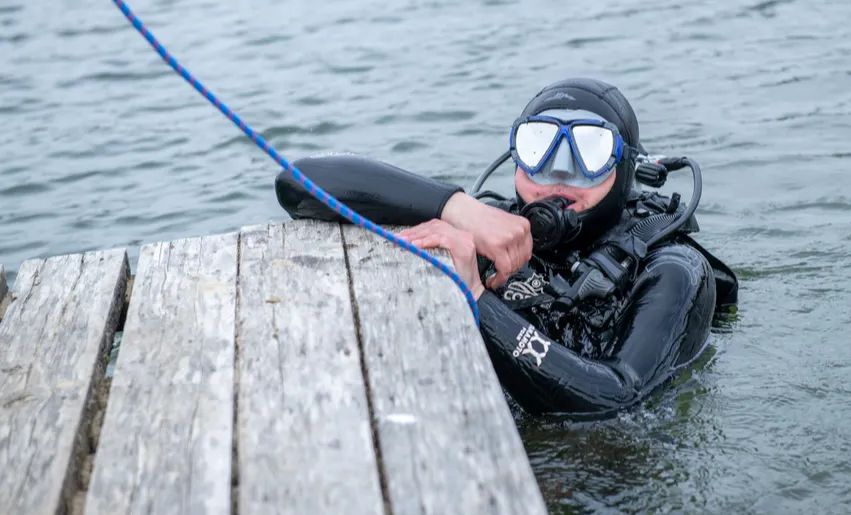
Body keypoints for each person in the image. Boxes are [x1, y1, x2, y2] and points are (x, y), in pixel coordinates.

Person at [275, 78, 738, 418]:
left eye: (589, 153)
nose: (558, 175)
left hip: (607, 483)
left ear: (629, 168)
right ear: (515, 157)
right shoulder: (485, 226)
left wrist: (476, 298)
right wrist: (454, 206)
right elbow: (299, 182)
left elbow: (617, 396)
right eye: (539, 147)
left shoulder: (675, 269)